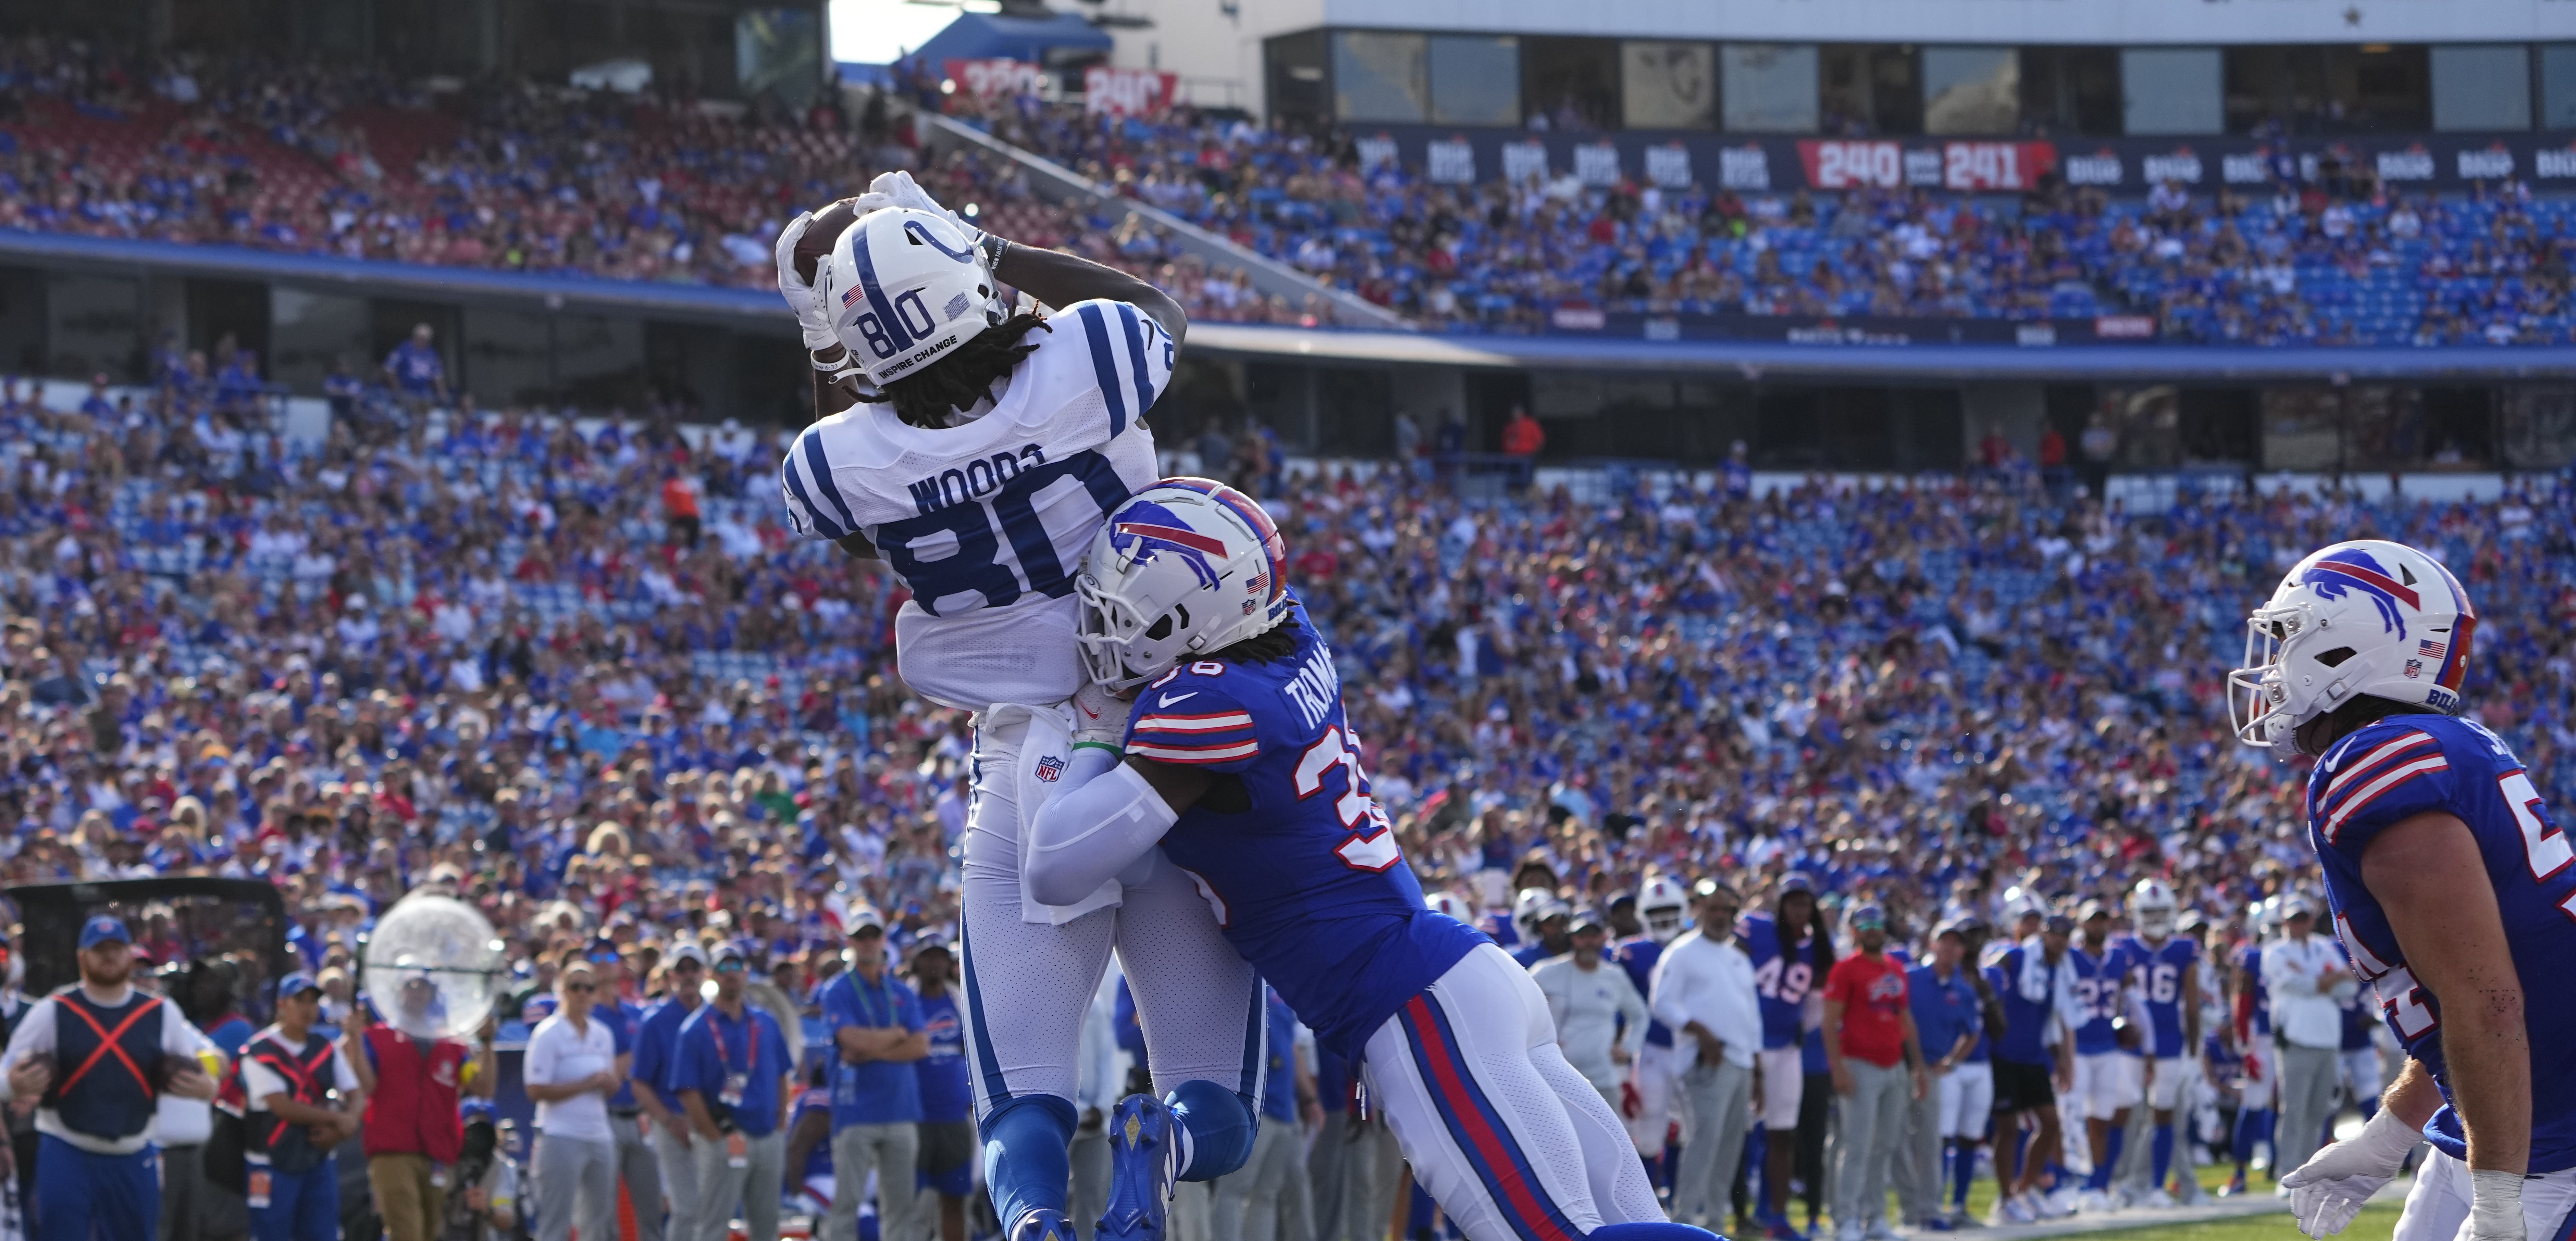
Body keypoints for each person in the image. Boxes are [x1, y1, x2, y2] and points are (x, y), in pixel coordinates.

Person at [1020, 479, 1711, 1241]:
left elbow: (1054, 867)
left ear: (1189, 621)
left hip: (1411, 1006)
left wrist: (1094, 731)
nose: (1101, 629)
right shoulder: (1289, 638)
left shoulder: (1209, 704)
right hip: (1465, 978)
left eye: (1122, 613)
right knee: (1630, 1223)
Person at [774, 173, 1266, 1241]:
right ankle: (1165, 1142)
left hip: (1027, 770)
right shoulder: (1079, 360)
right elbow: (1153, 309)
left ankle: (1040, 1222)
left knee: (1020, 1103)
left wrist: (825, 323)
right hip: (1176, 754)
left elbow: (851, 503)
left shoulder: (846, 457)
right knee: (1221, 1109)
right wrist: (981, 240)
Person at [2231, 539, 2576, 1241]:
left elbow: (2488, 1001)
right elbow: (2481, 979)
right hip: (2507, 1119)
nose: (2271, 667)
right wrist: (2392, 1131)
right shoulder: (2444, 742)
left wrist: (2499, 1206)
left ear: (2346, 645)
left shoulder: (2374, 763)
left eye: (2288, 638)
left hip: (2552, 1146)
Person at [1, 915, 222, 1241]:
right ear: (82, 957)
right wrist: (13, 1086)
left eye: (116, 949)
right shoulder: (54, 1010)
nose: (109, 957)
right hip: (66, 1150)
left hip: (133, 1153)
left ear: (130, 955)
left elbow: (206, 1069)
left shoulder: (161, 1012)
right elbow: (5, 1074)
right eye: (99, 949)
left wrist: (207, 1089)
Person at [1645, 880, 1760, 1237]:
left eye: (1726, 910)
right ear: (1698, 911)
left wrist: (1759, 1071)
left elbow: (1751, 1015)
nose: (1720, 916)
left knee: (1729, 1146)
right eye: (1713, 909)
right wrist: (1700, 1031)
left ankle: (1713, 1223)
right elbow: (1661, 1004)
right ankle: (1682, 1220)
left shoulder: (1738, 957)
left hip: (1741, 1060)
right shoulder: (1681, 952)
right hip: (1705, 1058)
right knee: (1703, 1140)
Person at [346, 970, 496, 1241]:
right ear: (399, 993)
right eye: (411, 987)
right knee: (407, 1232)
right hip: (393, 1149)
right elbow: (367, 1086)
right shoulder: (377, 1037)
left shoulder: (452, 1043)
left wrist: (487, 1044)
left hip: (438, 1151)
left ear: (432, 994)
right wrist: (355, 1041)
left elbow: (483, 1087)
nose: (417, 993)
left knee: (430, 1232)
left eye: (423, 988)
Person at [667, 941, 792, 1241]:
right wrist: (714, 1136)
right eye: (723, 968)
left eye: (737, 966)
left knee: (767, 1227)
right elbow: (687, 1091)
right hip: (725, 1137)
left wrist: (779, 1126)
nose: (731, 974)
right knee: (713, 1226)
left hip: (766, 1136)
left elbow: (781, 1075)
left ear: (747, 972)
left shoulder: (765, 1022)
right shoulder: (696, 1029)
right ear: (712, 975)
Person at [1821, 901, 1928, 1241]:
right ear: (1853, 932)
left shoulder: (1896, 968)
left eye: (1876, 924)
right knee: (1856, 1146)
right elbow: (1828, 1023)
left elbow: (1905, 1018)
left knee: (1883, 1146)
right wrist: (1837, 1067)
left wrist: (1918, 1067)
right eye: (1864, 925)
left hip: (1893, 1064)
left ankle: (1875, 1216)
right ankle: (1845, 1219)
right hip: (1859, 1064)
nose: (1871, 930)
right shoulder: (1845, 969)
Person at [819, 906, 925, 1241]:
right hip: (855, 1112)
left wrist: (870, 1050)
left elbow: (920, 1046)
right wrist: (895, 1036)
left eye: (873, 935)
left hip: (900, 1110)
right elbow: (848, 1039)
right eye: (860, 936)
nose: (867, 942)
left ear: (882, 939)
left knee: (899, 1207)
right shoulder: (837, 989)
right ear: (849, 941)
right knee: (846, 1203)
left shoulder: (902, 991)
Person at [1737, 873, 1830, 1240]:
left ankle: (1776, 1216)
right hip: (1745, 1045)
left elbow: (1814, 1004)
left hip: (1785, 1049)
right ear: (1780, 904)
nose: (1798, 909)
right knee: (1739, 1133)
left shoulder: (1816, 947)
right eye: (1792, 902)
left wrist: (1797, 1028)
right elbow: (1731, 968)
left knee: (1783, 1133)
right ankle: (1735, 1210)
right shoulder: (1756, 930)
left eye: (1804, 903)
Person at [239, 973, 364, 1241]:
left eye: (313, 1001)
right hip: (271, 1162)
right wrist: (337, 1120)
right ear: (283, 1005)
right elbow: (283, 1106)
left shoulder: (325, 1048)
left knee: (322, 1233)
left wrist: (349, 1121)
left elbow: (356, 1092)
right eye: (300, 1001)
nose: (308, 1008)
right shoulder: (260, 1050)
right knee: (271, 1234)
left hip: (316, 1159)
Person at [2109, 880, 2201, 1207]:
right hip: (2131, 1043)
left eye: (2161, 911)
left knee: (2163, 1114)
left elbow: (2192, 1005)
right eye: (2150, 912)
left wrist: (2193, 1050)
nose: (2156, 918)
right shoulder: (2122, 948)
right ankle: (2114, 1185)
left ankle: (2157, 1187)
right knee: (2121, 1114)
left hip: (2167, 1041)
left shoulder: (2183, 949)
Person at [1983, 909, 2075, 1224]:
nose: (2058, 941)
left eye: (2064, 937)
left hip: (2034, 1055)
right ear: (2044, 934)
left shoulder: (2056, 970)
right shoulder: (2017, 957)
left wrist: (2061, 1058)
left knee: (2050, 1124)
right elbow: (1990, 975)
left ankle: (2023, 1188)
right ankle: (2006, 1197)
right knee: (2008, 1129)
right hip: (2005, 1054)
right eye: (2054, 934)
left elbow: (2050, 1018)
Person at [524, 952, 623, 1241]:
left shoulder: (603, 1034)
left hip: (599, 1134)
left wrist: (608, 1083)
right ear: (563, 990)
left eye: (589, 988)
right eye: (576, 986)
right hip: (560, 1134)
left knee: (598, 1221)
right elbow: (535, 1090)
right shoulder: (548, 1034)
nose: (583, 993)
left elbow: (610, 1087)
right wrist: (586, 1083)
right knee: (556, 1221)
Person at [2259, 896, 2352, 1192]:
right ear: (2285, 922)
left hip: (2327, 1038)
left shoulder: (2323, 949)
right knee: (2294, 1110)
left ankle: (2309, 1173)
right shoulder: (2275, 952)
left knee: (2318, 1111)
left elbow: (2348, 986)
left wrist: (2323, 982)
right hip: (2296, 1038)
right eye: (2294, 919)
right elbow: (2292, 984)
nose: (2300, 924)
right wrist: (2327, 981)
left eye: (2304, 918)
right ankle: (2287, 1174)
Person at [1894, 921, 1980, 1232]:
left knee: (1930, 1141)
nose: (1949, 948)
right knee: (1894, 1139)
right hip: (1897, 1065)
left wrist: (1952, 1062)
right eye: (1944, 942)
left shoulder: (1963, 990)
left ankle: (1929, 1209)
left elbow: (1972, 1033)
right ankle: (1909, 1207)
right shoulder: (1909, 978)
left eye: (1956, 944)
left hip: (1930, 1070)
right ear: (1932, 944)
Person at [1210, 989, 1310, 1241]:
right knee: (1233, 1190)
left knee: (1267, 1195)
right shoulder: (1243, 982)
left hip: (1284, 1109)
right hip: (1253, 1108)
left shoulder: (1280, 990)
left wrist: (1308, 1098)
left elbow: (1291, 1047)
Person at [1528, 910, 1647, 1115]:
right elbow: (1522, 1006)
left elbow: (1639, 1014)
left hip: (1603, 1078)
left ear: (1604, 938)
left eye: (1594, 936)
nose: (1588, 942)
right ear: (1572, 938)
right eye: (1582, 936)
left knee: (1610, 1142)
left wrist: (1628, 1048)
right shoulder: (1546, 972)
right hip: (1557, 1078)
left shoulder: (1614, 977)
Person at [1612, 878, 1689, 1181]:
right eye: (1657, 911)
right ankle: (1651, 1195)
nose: (1664, 917)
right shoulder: (1631, 951)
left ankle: (1675, 1191)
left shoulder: (1693, 946)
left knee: (1687, 1124)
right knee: (1651, 1118)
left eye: (1670, 909)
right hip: (1653, 1047)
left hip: (1688, 1045)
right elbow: (1620, 1004)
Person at [2064, 900, 2139, 1212]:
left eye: (2102, 921)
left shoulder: (2119, 958)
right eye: (2092, 921)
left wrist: (2132, 1029)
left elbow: (2130, 995)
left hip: (2108, 1046)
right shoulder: (2069, 957)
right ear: (2081, 925)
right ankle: (2068, 1185)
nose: (2098, 926)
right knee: (2071, 1118)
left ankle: (2098, 1183)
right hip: (2077, 1048)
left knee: (2104, 1118)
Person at [585, 942, 662, 1241]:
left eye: (610, 956)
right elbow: (602, 1073)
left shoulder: (635, 1013)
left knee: (651, 1208)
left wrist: (628, 1063)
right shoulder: (588, 1016)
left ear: (621, 965)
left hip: (641, 1118)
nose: (604, 962)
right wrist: (634, 1058)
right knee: (603, 1213)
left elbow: (651, 1067)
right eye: (596, 957)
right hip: (603, 1117)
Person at [633, 943, 709, 1238]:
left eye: (694, 969)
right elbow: (639, 1083)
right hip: (674, 1122)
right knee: (687, 1208)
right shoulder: (656, 1021)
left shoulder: (716, 1015)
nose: (688, 975)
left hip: (715, 1123)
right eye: (682, 969)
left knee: (715, 1207)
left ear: (704, 973)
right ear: (670, 975)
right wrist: (669, 1122)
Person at [908, 936, 975, 1241]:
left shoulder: (961, 1001)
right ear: (917, 962)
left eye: (940, 958)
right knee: (912, 1207)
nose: (934, 964)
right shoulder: (904, 1001)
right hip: (914, 1117)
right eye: (928, 957)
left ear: (949, 964)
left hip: (954, 1117)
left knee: (955, 1202)